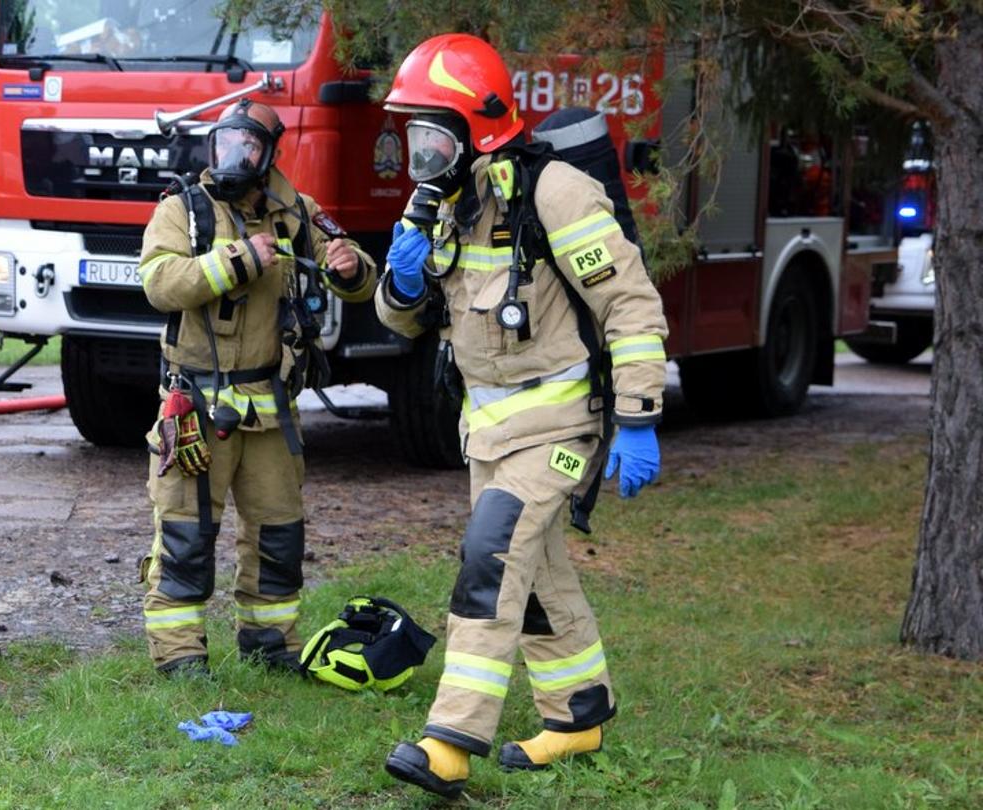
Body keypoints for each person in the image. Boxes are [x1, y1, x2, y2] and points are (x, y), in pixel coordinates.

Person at [373, 33, 669, 799]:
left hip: (560, 428)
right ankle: (578, 716)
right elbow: (405, 320)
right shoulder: (441, 206)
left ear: (478, 128)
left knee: (491, 557)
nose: (422, 153)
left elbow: (630, 304)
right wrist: (402, 283)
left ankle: (450, 740)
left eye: (435, 134)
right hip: (489, 432)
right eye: (414, 135)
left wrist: (638, 415)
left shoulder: (556, 193)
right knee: (535, 572)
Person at [134, 99, 377, 678]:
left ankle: (271, 645)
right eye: (226, 142)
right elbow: (159, 282)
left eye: (249, 145)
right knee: (187, 531)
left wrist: (351, 268)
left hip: (271, 410)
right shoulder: (183, 209)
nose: (235, 155)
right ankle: (180, 654)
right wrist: (237, 260)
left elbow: (358, 276)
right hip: (195, 405)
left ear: (269, 154)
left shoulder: (297, 212)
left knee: (278, 533)